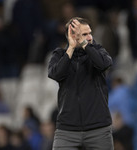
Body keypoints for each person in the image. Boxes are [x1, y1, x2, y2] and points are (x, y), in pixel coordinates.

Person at [48, 17, 114, 150]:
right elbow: (55, 74)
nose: (89, 37)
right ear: (70, 36)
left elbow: (103, 64)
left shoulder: (98, 50)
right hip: (67, 131)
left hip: (98, 129)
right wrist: (71, 49)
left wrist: (84, 44)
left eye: (89, 33)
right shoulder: (59, 54)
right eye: (84, 34)